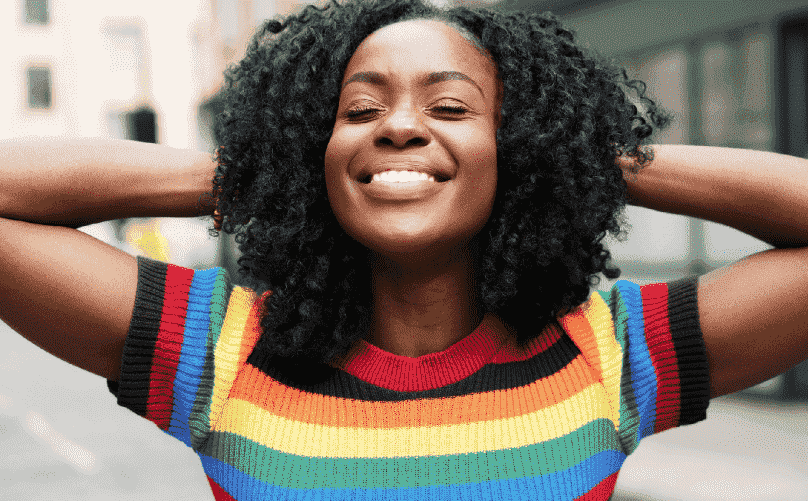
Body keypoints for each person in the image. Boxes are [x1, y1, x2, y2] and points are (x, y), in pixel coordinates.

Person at [2, 0, 807, 499]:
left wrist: (587, 161)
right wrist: (265, 174)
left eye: (450, 105)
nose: (397, 125)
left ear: (516, 147)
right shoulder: (219, 349)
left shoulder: (612, 351)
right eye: (360, 110)